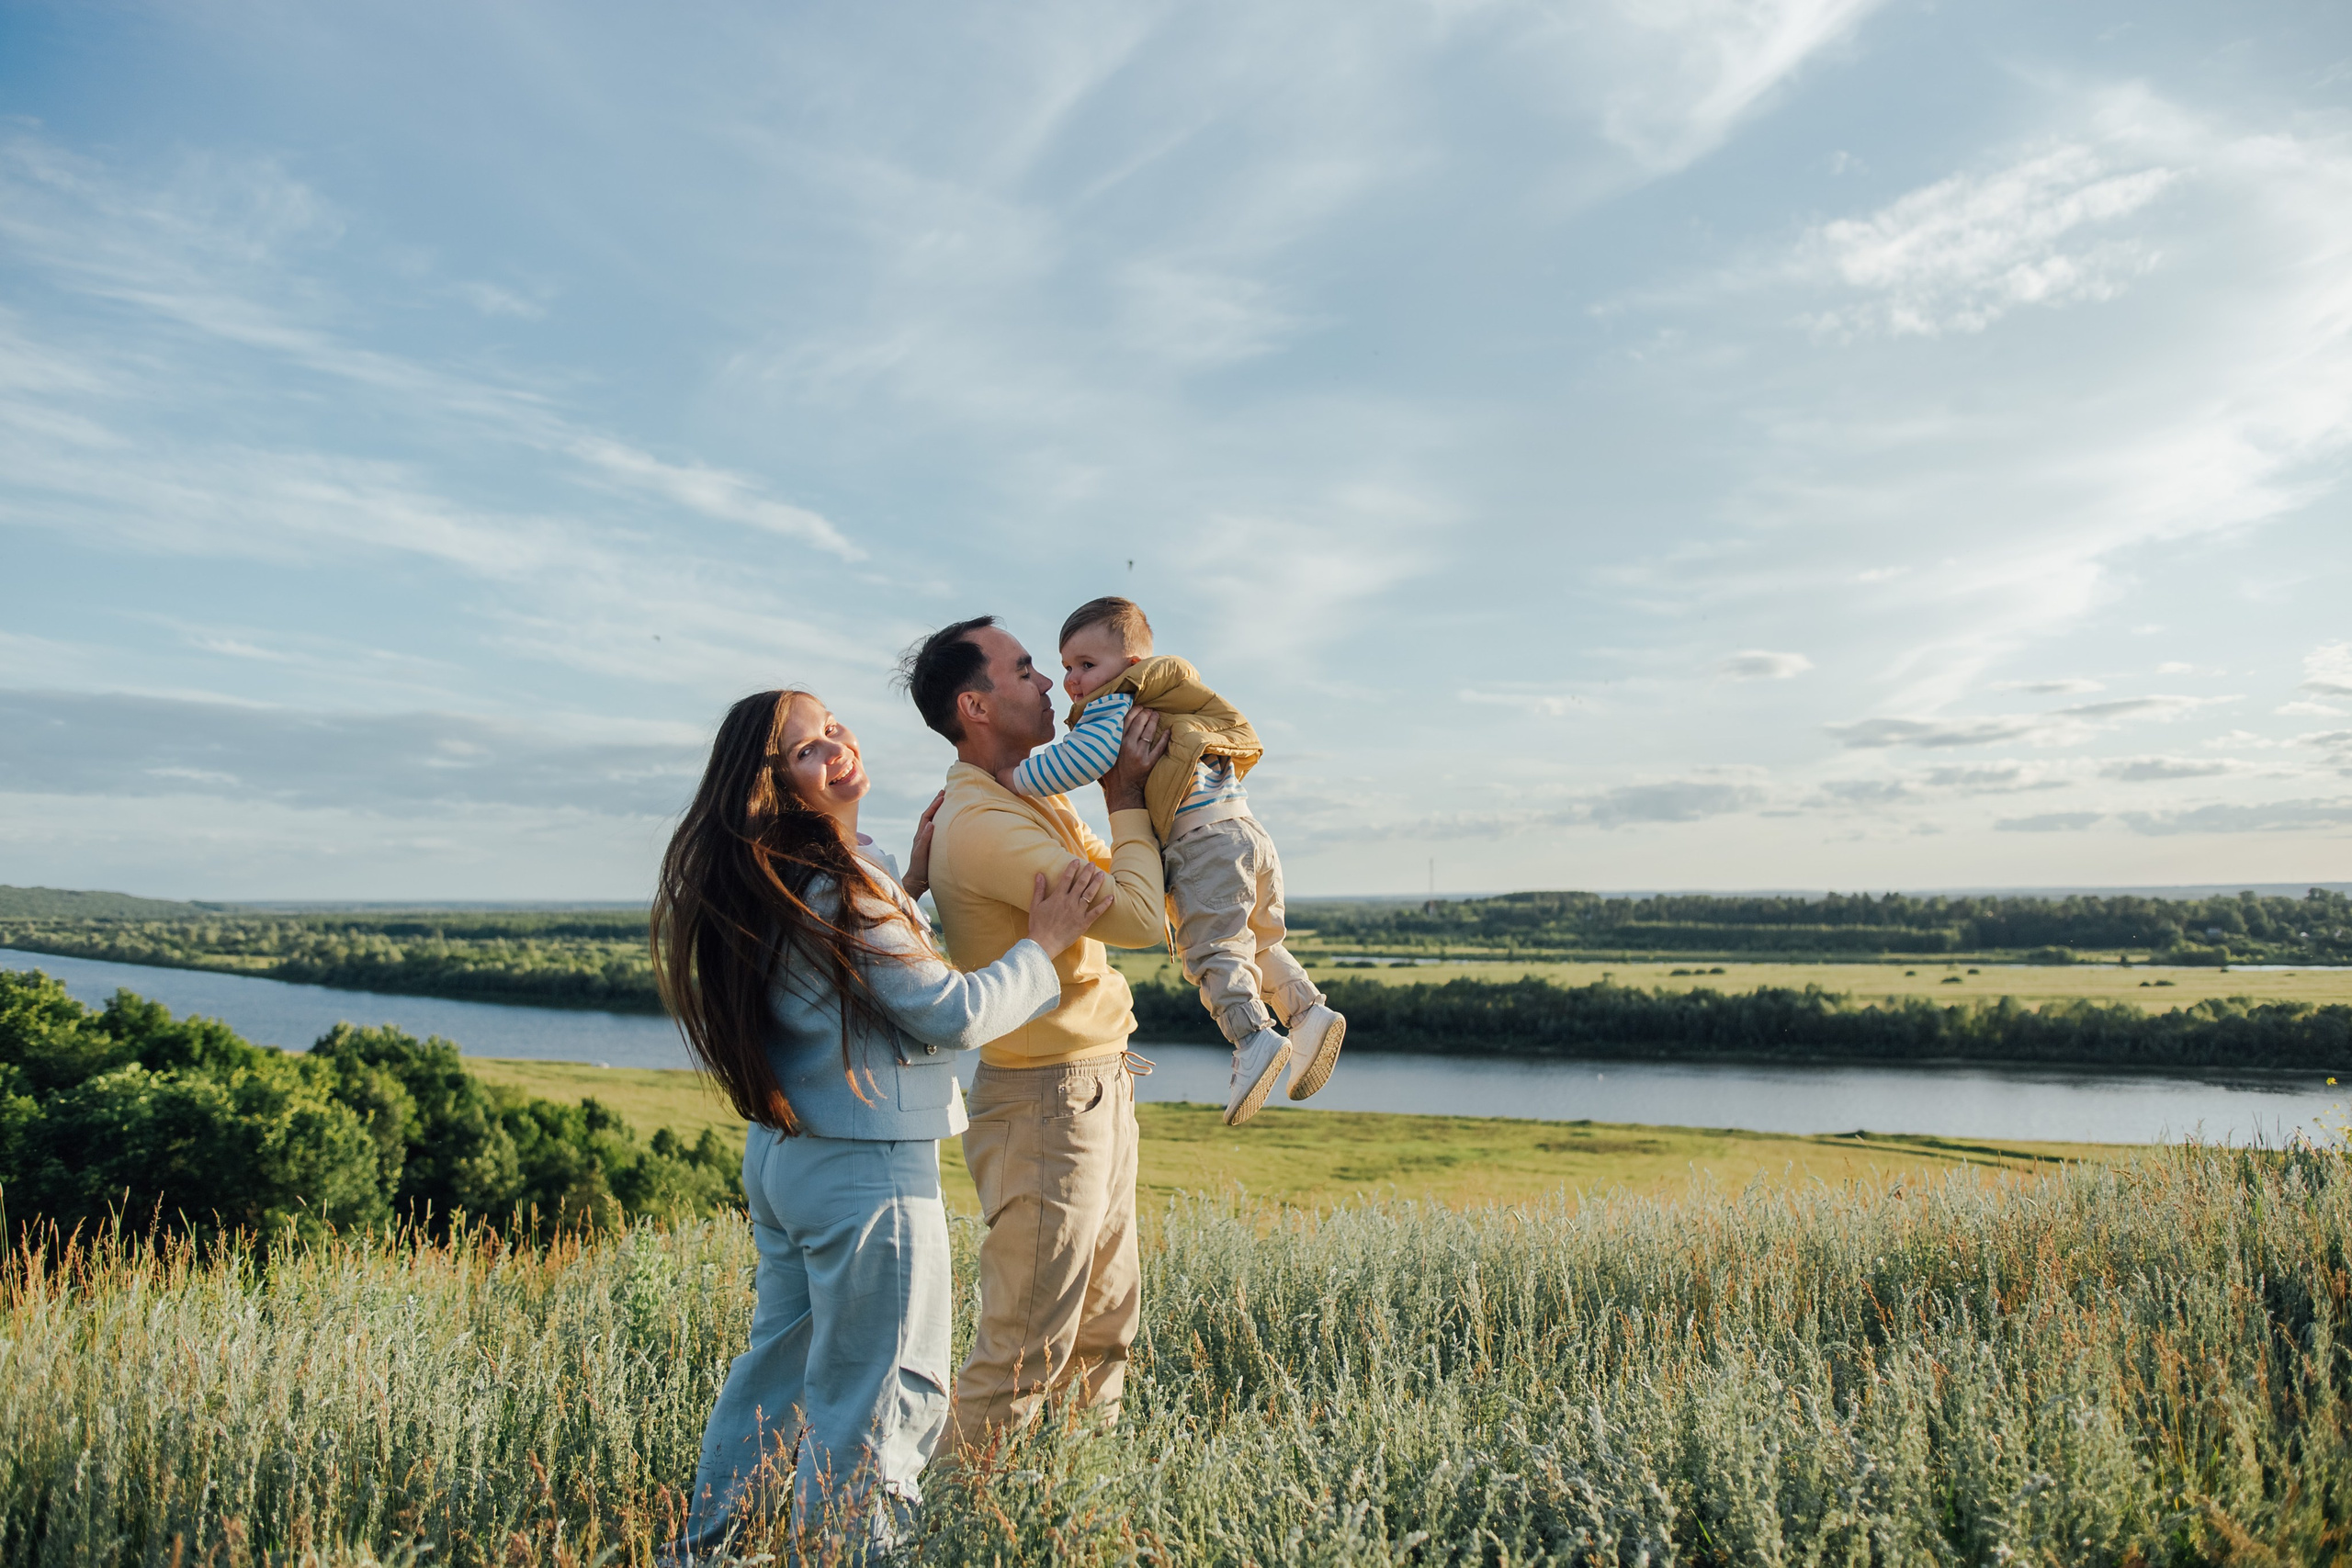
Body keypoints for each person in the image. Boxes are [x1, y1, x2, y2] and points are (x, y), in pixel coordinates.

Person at [650, 687, 1115, 1554]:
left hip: (792, 1161)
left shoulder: (780, 878)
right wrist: (1043, 941)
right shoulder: (839, 885)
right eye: (805, 750)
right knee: (886, 1398)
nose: (835, 748)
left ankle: (704, 1549)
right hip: (868, 1176)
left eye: (831, 727)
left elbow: (842, 979)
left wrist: (901, 884)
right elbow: (952, 1012)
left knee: (776, 1387)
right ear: (777, 787)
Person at [896, 615, 1170, 1455]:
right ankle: (956, 1536)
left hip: (1094, 1082)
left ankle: (1075, 1517)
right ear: (975, 705)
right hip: (1048, 1107)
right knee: (1022, 1355)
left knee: (1102, 1333)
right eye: (1026, 670)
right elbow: (1137, 913)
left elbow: (1118, 880)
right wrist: (1124, 794)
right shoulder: (981, 825)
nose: (1052, 683)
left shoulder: (1033, 791)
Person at [1005, 596, 1343, 1127]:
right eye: (1068, 666)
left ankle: (1253, 1037)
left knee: (1210, 951)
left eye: (1086, 665)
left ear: (1130, 667)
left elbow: (1083, 759)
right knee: (1258, 941)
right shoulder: (1173, 699)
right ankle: (1307, 1012)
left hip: (1203, 844)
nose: (1072, 679)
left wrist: (1015, 780)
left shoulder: (1115, 704)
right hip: (1246, 832)